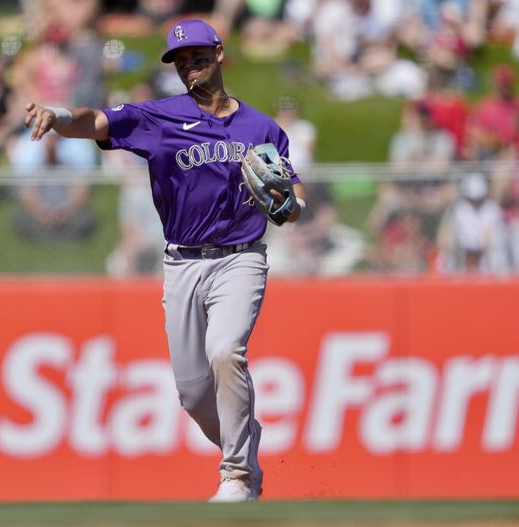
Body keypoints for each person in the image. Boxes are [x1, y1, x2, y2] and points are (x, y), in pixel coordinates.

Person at [23, 18, 306, 502]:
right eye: (180, 61)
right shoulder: (161, 118)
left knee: (225, 352)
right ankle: (246, 445)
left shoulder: (262, 127)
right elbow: (98, 121)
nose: (188, 66)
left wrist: (289, 206)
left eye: (197, 56)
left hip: (240, 259)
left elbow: (292, 199)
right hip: (181, 263)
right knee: (194, 393)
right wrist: (58, 113)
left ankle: (237, 475)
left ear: (219, 54)